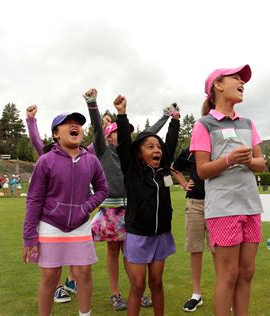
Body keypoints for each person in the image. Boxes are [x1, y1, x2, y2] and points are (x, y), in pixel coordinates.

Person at [82, 88, 172, 311]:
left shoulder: (134, 156)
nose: (125, 135)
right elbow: (96, 131)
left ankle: (137, 291)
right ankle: (115, 294)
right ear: (110, 134)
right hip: (111, 211)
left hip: (131, 210)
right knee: (114, 252)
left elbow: (149, 136)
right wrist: (92, 103)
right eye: (120, 132)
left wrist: (165, 116)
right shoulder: (103, 150)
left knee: (130, 254)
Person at [190, 65, 265, 316]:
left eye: (242, 79)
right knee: (229, 274)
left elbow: (261, 163)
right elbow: (202, 170)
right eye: (236, 77)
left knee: (247, 272)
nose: (242, 81)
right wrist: (230, 159)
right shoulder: (204, 124)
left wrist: (247, 161)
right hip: (223, 209)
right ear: (217, 86)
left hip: (251, 206)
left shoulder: (248, 123)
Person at [22, 111, 108, 316]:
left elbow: (103, 189)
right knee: (50, 276)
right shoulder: (46, 161)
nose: (74, 126)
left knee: (84, 274)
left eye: (77, 123)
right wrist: (29, 237)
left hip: (80, 226)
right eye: (68, 123)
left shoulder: (91, 161)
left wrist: (85, 207)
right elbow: (34, 199)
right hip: (51, 225)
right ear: (56, 134)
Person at [115, 94, 180, 316]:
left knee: (157, 284)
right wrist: (122, 115)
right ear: (139, 154)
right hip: (138, 235)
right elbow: (124, 145)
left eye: (158, 147)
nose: (157, 150)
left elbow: (170, 144)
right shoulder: (131, 170)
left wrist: (175, 121)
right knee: (137, 286)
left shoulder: (162, 170)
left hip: (161, 234)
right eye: (150, 146)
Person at [25, 104, 79, 303]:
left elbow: (95, 147)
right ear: (56, 134)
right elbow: (36, 141)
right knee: (53, 258)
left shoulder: (81, 155)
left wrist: (103, 129)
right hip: (52, 218)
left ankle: (71, 281)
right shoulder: (47, 157)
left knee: (75, 253)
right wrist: (31, 120)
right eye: (66, 124)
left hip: (75, 216)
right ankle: (57, 288)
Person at [171, 146, 206, 312]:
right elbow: (174, 168)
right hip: (194, 204)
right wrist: (184, 184)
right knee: (195, 249)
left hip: (218, 204)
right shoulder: (190, 150)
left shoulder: (218, 145)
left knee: (220, 251)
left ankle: (224, 293)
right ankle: (196, 294)